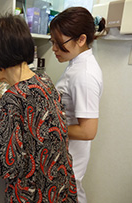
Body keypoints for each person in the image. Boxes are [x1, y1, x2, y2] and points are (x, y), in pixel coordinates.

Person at [0, 14, 77, 202]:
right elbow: (36, 112)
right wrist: (6, 100)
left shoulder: (11, 101)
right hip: (59, 185)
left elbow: (6, 168)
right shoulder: (44, 80)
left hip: (34, 195)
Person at [49, 7, 105, 203]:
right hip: (63, 154)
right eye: (52, 42)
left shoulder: (85, 75)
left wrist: (47, 126)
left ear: (81, 40)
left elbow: (88, 131)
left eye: (59, 43)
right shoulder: (76, 65)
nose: (54, 48)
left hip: (70, 158)